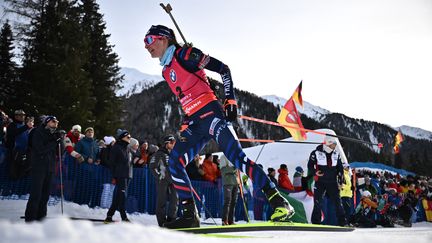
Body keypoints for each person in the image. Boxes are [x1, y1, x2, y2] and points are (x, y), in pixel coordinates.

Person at [144, 25, 294, 228]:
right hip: (196, 123)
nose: (147, 46)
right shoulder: (166, 71)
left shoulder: (186, 54)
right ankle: (190, 215)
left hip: (212, 115)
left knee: (236, 157)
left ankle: (280, 202)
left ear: (163, 38)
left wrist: (230, 99)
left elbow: (224, 69)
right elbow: (188, 95)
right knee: (175, 162)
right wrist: (187, 120)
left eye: (149, 40)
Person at [24, 115, 59, 222]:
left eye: (57, 122)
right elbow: (40, 149)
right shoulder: (37, 132)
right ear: (47, 122)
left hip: (50, 167)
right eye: (53, 121)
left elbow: (59, 152)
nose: (55, 123)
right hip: (39, 166)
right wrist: (54, 142)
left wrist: (60, 140)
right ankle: (30, 218)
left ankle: (41, 217)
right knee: (36, 194)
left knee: (45, 195)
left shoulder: (53, 134)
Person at [307, 136, 347, 226]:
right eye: (334, 144)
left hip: (332, 182)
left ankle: (343, 222)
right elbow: (310, 165)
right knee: (317, 202)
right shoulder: (316, 153)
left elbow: (340, 168)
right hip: (320, 182)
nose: (335, 146)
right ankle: (316, 223)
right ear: (328, 143)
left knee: (338, 203)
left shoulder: (336, 154)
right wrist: (315, 172)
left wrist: (341, 179)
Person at [149, 135, 178, 227]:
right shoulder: (159, 153)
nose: (174, 144)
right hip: (163, 180)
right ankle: (162, 222)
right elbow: (152, 166)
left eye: (174, 143)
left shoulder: (174, 154)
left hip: (173, 180)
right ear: (167, 143)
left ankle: (171, 220)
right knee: (161, 201)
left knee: (175, 200)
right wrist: (159, 176)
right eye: (172, 142)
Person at [104, 129, 133, 223]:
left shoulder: (128, 148)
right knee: (122, 196)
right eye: (128, 137)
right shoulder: (116, 147)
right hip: (120, 175)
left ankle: (109, 215)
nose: (130, 138)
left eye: (130, 137)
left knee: (118, 197)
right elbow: (111, 163)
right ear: (122, 137)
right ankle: (124, 217)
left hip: (127, 175)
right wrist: (114, 176)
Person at [5, 109, 34, 179]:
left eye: (23, 115)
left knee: (22, 172)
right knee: (13, 172)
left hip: (24, 152)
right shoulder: (12, 125)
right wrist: (26, 127)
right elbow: (13, 133)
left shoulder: (24, 126)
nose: (22, 117)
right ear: (16, 116)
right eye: (20, 115)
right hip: (14, 152)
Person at [219, 155, 239, 225]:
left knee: (234, 202)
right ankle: (224, 220)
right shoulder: (223, 157)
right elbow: (223, 170)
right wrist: (234, 169)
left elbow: (236, 171)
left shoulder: (233, 157)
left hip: (235, 182)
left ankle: (231, 220)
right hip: (227, 182)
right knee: (227, 201)